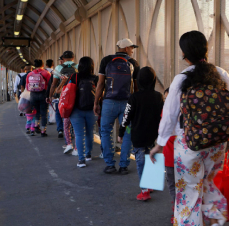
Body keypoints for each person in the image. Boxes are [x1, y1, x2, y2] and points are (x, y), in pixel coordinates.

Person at [149, 31, 229, 226]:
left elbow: (169, 116)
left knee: (189, 193)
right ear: (206, 49)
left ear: (184, 54)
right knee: (210, 183)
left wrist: (159, 144)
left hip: (189, 145)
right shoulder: (222, 74)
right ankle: (216, 224)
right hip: (216, 143)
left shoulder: (181, 79)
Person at [94, 38, 140, 174]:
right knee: (127, 133)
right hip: (127, 103)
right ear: (126, 48)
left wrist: (96, 102)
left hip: (109, 102)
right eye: (132, 48)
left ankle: (109, 164)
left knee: (106, 132)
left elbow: (101, 84)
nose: (132, 50)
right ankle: (124, 165)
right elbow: (136, 87)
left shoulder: (106, 60)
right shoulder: (133, 63)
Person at [118, 66, 164, 200]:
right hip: (153, 134)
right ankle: (151, 184)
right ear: (154, 80)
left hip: (138, 135)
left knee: (140, 161)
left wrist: (121, 132)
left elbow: (126, 116)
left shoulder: (134, 97)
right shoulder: (158, 96)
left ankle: (144, 192)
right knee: (153, 156)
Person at [68, 57, 98, 168]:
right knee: (89, 133)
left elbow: (66, 92)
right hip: (91, 109)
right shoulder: (95, 78)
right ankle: (88, 154)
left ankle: (81, 160)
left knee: (79, 134)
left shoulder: (74, 77)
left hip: (76, 110)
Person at [49, 52, 78, 139]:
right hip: (74, 93)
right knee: (73, 112)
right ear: (73, 57)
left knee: (59, 112)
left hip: (62, 94)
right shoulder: (77, 67)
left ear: (63, 58)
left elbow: (54, 84)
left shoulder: (58, 67)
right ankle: (73, 130)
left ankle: (60, 129)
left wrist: (50, 95)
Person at [26, 59, 51, 137]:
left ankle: (36, 126)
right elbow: (50, 85)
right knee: (44, 113)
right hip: (43, 94)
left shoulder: (30, 74)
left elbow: (27, 87)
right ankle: (43, 131)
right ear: (43, 65)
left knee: (36, 112)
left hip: (33, 95)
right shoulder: (46, 73)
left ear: (34, 66)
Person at [162, 88, 176, 216]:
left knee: (172, 185)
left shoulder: (165, 115)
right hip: (182, 159)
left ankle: (177, 209)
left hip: (170, 159)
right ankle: (180, 209)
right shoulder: (185, 115)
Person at [45, 59, 56, 125]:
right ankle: (50, 118)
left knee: (45, 107)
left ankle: (44, 117)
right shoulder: (55, 72)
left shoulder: (43, 72)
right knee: (51, 106)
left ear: (46, 65)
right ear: (53, 65)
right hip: (51, 91)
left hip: (43, 91)